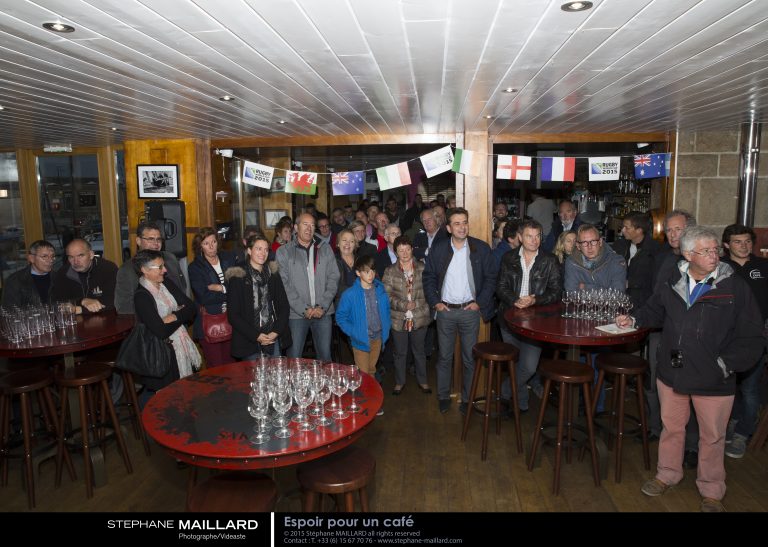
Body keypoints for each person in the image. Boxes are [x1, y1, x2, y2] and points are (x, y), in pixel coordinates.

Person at [617, 226, 763, 513]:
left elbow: (752, 336)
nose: (714, 255)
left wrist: (725, 365)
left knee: (712, 436)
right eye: (706, 251)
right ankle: (667, 474)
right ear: (687, 254)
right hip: (673, 370)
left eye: (715, 250)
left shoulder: (734, 286)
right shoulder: (673, 279)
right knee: (672, 428)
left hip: (714, 377)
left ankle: (711, 490)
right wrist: (633, 319)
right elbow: (655, 310)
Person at [423, 207, 498, 415]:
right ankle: (443, 396)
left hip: (469, 311)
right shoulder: (438, 248)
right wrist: (436, 303)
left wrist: (479, 302)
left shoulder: (480, 248)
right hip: (445, 311)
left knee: (469, 359)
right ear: (448, 228)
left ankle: (467, 398)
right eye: (457, 223)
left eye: (464, 222)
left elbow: (492, 278)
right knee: (444, 357)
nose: (462, 227)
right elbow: (428, 277)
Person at [496, 220, 562, 412]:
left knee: (529, 367)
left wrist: (535, 299)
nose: (534, 240)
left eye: (537, 236)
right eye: (529, 236)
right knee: (517, 362)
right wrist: (514, 300)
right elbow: (500, 287)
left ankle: (504, 391)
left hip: (536, 322)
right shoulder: (508, 257)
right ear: (520, 237)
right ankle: (521, 403)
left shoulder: (549, 260)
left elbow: (557, 292)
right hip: (509, 318)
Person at [720, 224, 768, 459]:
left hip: (755, 338)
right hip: (724, 337)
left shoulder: (763, 266)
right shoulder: (719, 267)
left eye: (748, 241)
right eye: (738, 242)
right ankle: (732, 421)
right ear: (726, 245)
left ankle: (742, 433)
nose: (744, 246)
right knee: (728, 385)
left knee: (749, 388)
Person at [132, 249, 200, 406]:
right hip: (163, 355)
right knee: (169, 403)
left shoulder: (166, 283)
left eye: (164, 265)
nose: (165, 270)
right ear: (144, 270)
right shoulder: (141, 296)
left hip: (181, 348)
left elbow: (191, 307)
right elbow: (161, 331)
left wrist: (174, 316)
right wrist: (180, 314)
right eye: (160, 267)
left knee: (187, 397)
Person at [277, 213, 340, 362]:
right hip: (296, 314)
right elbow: (284, 284)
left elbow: (334, 278)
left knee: (325, 357)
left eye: (312, 225)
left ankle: (323, 379)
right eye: (305, 224)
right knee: (294, 358)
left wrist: (322, 306)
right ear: (296, 227)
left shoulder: (325, 248)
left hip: (323, 312)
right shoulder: (284, 252)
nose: (309, 228)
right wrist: (303, 309)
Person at [336, 255, 391, 417]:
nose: (370, 274)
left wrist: (386, 329)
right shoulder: (350, 294)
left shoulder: (380, 290)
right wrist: (354, 332)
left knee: (371, 370)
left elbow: (386, 311)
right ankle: (366, 403)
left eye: (372, 271)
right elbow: (340, 317)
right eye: (366, 272)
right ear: (358, 273)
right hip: (360, 340)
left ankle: (371, 402)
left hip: (377, 338)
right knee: (364, 373)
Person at [226, 234, 291, 360]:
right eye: (258, 249)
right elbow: (233, 315)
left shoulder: (273, 274)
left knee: (275, 372)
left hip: (272, 336)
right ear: (249, 251)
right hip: (248, 340)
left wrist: (275, 332)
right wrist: (256, 336)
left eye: (266, 249)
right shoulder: (238, 276)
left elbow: (284, 306)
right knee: (254, 373)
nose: (263, 253)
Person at [382, 236, 432, 395]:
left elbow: (430, 292)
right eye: (400, 250)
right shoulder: (390, 271)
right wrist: (403, 305)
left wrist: (416, 304)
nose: (404, 253)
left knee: (419, 351)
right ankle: (399, 382)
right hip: (398, 318)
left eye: (407, 249)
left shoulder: (423, 268)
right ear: (396, 252)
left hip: (419, 315)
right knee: (400, 352)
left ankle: (423, 381)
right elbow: (386, 295)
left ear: (412, 250)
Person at [188, 227, 238, 367]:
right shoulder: (195, 267)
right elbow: (204, 297)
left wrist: (221, 288)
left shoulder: (229, 259)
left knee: (233, 367)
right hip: (209, 322)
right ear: (200, 247)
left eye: (213, 242)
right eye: (206, 243)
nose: (211, 246)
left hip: (232, 320)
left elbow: (239, 286)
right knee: (216, 368)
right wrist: (229, 291)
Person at [115, 221, 186, 314]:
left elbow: (182, 287)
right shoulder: (128, 270)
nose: (156, 243)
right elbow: (123, 307)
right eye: (151, 239)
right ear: (138, 241)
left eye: (158, 239)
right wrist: (160, 313)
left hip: (180, 316)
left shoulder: (170, 258)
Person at [51, 238, 118, 314]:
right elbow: (58, 301)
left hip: (107, 317)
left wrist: (79, 309)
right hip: (75, 320)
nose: (76, 262)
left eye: (80, 255)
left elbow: (114, 300)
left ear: (91, 255)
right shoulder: (63, 273)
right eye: (71, 257)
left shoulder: (108, 269)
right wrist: (82, 301)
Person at [611, 211, 661, 309]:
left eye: (627, 228)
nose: (623, 230)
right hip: (618, 299)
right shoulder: (619, 245)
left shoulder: (654, 250)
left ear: (639, 230)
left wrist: (630, 283)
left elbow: (655, 279)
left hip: (642, 303)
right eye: (623, 227)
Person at [564, 224, 626, 292]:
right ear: (578, 246)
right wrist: (604, 289)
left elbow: (617, 293)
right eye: (584, 242)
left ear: (600, 242)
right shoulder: (572, 262)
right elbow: (571, 292)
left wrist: (585, 287)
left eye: (593, 241)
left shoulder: (616, 261)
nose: (589, 247)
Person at [1, 240, 57, 307]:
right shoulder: (15, 281)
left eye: (52, 256)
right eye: (44, 256)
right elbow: (10, 310)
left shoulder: (59, 278)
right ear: (31, 258)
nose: (50, 260)